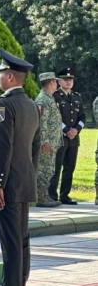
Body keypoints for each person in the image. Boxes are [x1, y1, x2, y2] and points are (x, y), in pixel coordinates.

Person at [0, 49, 40, 286]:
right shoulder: (30, 104)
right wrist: (30, 172)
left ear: (11, 76)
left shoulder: (5, 104)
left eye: (1, 73)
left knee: (11, 241)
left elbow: (2, 148)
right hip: (25, 177)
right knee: (22, 239)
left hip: (10, 182)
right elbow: (35, 146)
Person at [49, 67, 84, 205]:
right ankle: (52, 195)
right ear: (59, 81)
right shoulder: (55, 96)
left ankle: (65, 195)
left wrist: (76, 130)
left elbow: (82, 116)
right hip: (60, 137)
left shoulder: (77, 97)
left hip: (74, 138)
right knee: (56, 167)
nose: (69, 82)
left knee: (70, 167)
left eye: (71, 80)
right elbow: (54, 118)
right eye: (65, 79)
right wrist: (66, 130)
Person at [35, 73, 63, 208]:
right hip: (46, 143)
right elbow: (41, 123)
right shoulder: (43, 100)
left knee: (49, 169)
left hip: (52, 142)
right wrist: (45, 141)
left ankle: (44, 194)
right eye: (55, 82)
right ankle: (41, 197)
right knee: (44, 169)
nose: (57, 84)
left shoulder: (49, 98)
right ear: (51, 82)